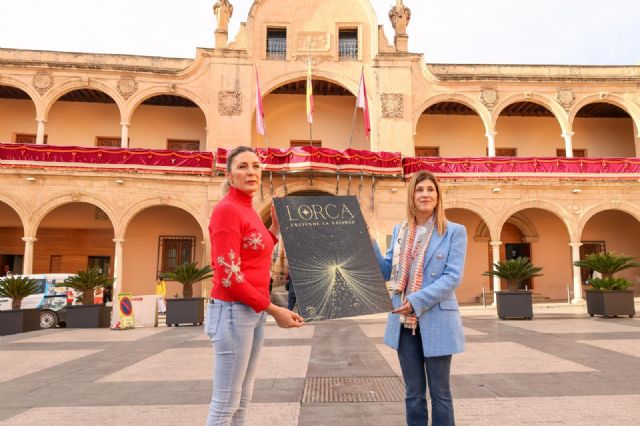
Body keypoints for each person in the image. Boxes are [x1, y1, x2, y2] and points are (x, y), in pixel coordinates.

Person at [206, 145, 304, 426]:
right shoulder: (227, 211)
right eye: (242, 166)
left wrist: (273, 229)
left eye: (256, 166)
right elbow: (229, 275)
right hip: (233, 311)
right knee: (226, 403)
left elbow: (255, 252)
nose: (251, 171)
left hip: (251, 311)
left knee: (241, 399)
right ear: (229, 174)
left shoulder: (247, 210)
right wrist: (275, 310)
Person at [372, 170, 467, 426]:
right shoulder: (400, 230)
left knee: (440, 393)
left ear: (438, 196)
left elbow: (452, 278)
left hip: (436, 318)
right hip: (404, 324)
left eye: (430, 190)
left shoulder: (454, 231)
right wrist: (369, 240)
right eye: (419, 189)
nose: (425, 194)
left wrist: (416, 300)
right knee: (413, 394)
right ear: (411, 195)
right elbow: (385, 270)